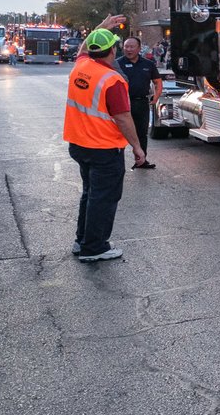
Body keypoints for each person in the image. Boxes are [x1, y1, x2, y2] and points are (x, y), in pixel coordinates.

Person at [65, 18, 146, 262]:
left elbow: (82, 50)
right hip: (103, 148)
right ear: (113, 50)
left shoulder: (81, 67)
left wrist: (102, 26)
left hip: (79, 144)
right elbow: (123, 118)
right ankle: (95, 247)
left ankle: (83, 240)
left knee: (90, 193)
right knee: (104, 197)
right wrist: (137, 147)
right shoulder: (112, 80)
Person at [116, 36, 163, 170]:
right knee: (119, 134)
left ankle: (141, 161)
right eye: (126, 47)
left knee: (141, 133)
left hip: (141, 103)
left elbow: (157, 82)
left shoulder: (148, 64)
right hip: (122, 104)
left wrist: (156, 96)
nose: (128, 49)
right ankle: (117, 164)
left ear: (139, 48)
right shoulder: (117, 64)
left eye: (131, 47)